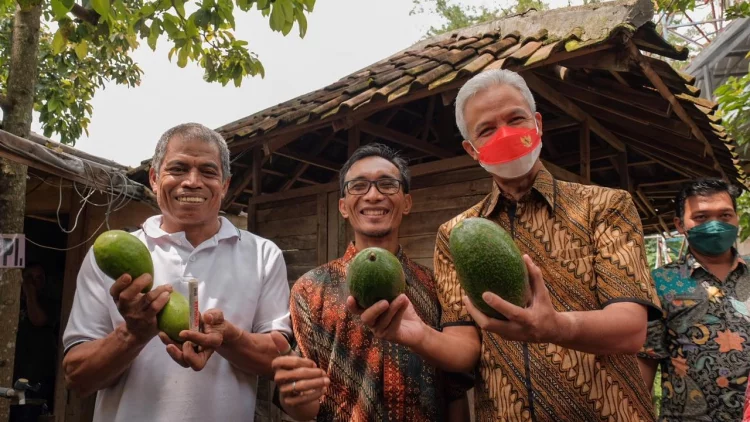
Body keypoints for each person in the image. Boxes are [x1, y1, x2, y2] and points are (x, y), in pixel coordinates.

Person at [349, 69, 662, 421]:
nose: (506, 134)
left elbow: (631, 329)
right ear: (471, 149)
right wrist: (418, 335)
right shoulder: (454, 234)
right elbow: (466, 348)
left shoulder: (605, 206)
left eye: (516, 119)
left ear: (537, 123)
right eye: (487, 129)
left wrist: (556, 327)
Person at [62, 123, 293, 422]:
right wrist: (132, 334)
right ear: (155, 179)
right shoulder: (108, 256)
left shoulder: (263, 255)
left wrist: (228, 338)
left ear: (224, 185)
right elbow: (77, 377)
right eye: (179, 169)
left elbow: (277, 359)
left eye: (208, 172)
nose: (192, 182)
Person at [270, 143, 472, 421]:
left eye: (387, 184)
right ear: (343, 207)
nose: (374, 195)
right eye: (358, 186)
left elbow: (454, 391)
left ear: (407, 203)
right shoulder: (310, 288)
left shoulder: (435, 287)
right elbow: (306, 404)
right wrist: (294, 395)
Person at [638, 178, 749, 422]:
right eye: (701, 217)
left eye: (725, 215)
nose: (715, 225)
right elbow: (646, 361)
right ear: (680, 224)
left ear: (736, 219)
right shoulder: (659, 283)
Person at [12, 263, 60, 417]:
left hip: (38, 370)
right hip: (15, 366)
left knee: (30, 412)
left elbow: (37, 320)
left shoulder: (49, 302)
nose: (33, 282)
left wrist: (30, 294)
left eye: (38, 278)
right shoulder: (12, 301)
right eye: (29, 278)